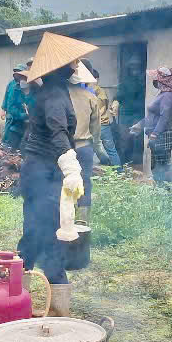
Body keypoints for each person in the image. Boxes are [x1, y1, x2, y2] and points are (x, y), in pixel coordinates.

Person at [18, 32, 94, 316]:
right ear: (60, 67)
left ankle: (18, 300)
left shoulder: (52, 90)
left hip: (39, 171)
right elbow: (57, 128)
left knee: (34, 236)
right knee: (49, 239)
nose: (76, 66)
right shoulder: (52, 93)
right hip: (43, 173)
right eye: (73, 63)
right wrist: (70, 164)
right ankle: (57, 309)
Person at [68, 61, 102, 224]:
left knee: (63, 181)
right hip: (84, 147)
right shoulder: (90, 96)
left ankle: (66, 215)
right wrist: (95, 146)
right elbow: (96, 127)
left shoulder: (60, 95)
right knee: (85, 182)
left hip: (65, 148)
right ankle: (82, 219)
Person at [132, 65, 172, 184]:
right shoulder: (162, 94)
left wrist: (155, 134)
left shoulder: (168, 96)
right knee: (156, 168)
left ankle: (165, 194)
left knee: (161, 169)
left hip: (162, 136)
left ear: (162, 80)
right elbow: (153, 117)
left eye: (156, 78)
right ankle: (161, 192)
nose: (154, 81)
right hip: (158, 136)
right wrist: (140, 125)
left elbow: (165, 117)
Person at [93, 65, 122, 167]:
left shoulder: (88, 91)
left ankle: (104, 166)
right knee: (111, 150)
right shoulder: (102, 91)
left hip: (94, 125)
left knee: (93, 149)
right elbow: (105, 106)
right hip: (105, 125)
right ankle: (119, 173)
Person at [1, 64, 32, 150]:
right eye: (15, 71)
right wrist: (3, 109)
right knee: (10, 141)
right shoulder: (13, 86)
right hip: (15, 120)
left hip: (30, 124)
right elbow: (9, 102)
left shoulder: (33, 85)